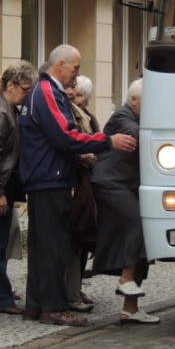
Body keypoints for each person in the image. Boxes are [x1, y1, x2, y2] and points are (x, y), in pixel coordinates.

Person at [18, 45, 137, 327]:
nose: (77, 73)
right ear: (61, 64)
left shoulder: (42, 91)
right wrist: (108, 141)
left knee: (41, 245)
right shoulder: (48, 92)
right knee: (53, 246)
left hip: (43, 177)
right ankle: (53, 308)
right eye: (75, 67)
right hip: (50, 178)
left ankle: (36, 305)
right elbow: (65, 136)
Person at [90, 78, 160, 325]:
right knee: (138, 223)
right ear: (134, 100)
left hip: (127, 185)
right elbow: (141, 137)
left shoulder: (139, 117)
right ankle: (125, 279)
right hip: (110, 183)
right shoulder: (122, 117)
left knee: (143, 240)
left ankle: (130, 309)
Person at [0, 61, 37, 315]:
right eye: (25, 89)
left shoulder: (8, 108)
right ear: (11, 85)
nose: (27, 95)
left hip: (3, 186)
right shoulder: (1, 112)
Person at [64, 75, 99, 313]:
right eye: (72, 94)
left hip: (87, 185)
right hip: (75, 184)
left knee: (83, 238)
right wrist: (82, 156)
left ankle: (75, 288)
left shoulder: (88, 117)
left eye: (79, 95)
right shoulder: (68, 116)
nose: (75, 99)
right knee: (74, 237)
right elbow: (69, 144)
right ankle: (70, 291)